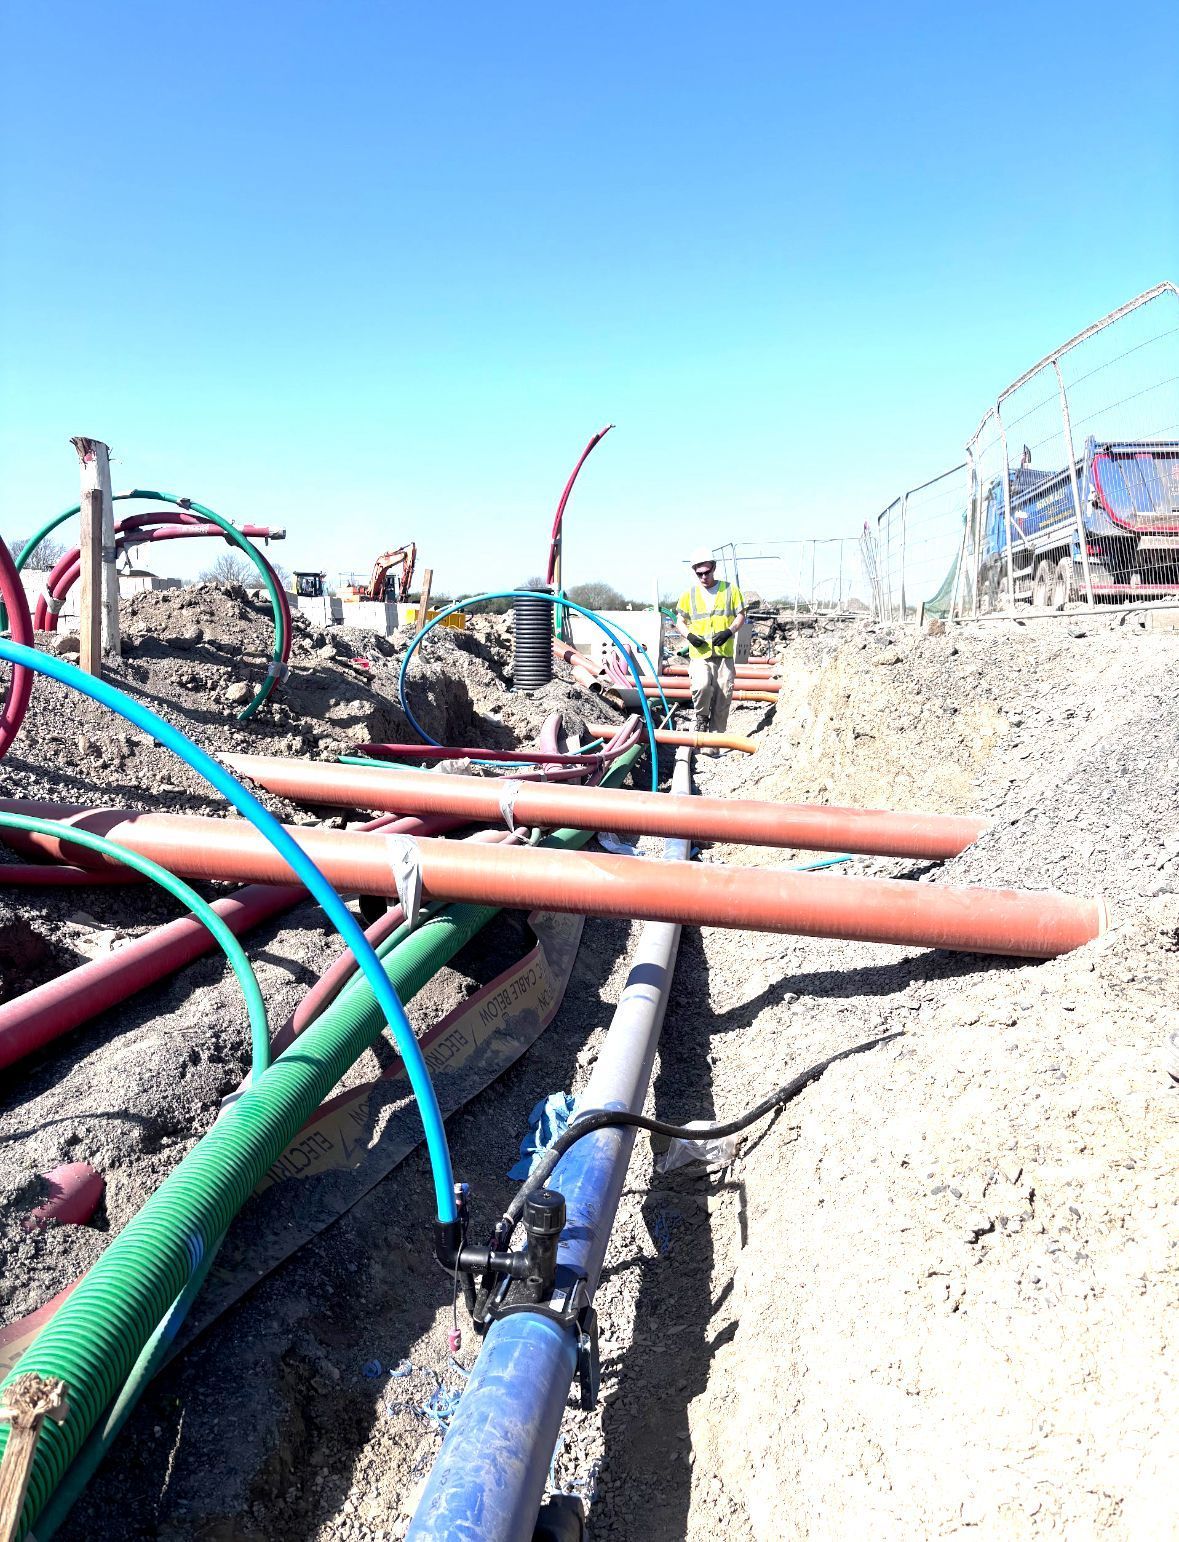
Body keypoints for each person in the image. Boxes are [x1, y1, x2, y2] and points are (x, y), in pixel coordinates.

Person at [675, 548, 747, 740]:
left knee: (723, 696)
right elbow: (679, 621)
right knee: (702, 685)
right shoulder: (689, 595)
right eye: (699, 574)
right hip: (700, 654)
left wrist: (729, 631)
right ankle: (701, 716)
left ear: (714, 568)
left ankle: (715, 742)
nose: (704, 577)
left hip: (724, 653)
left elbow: (741, 615)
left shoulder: (730, 590)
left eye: (707, 572)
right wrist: (689, 636)